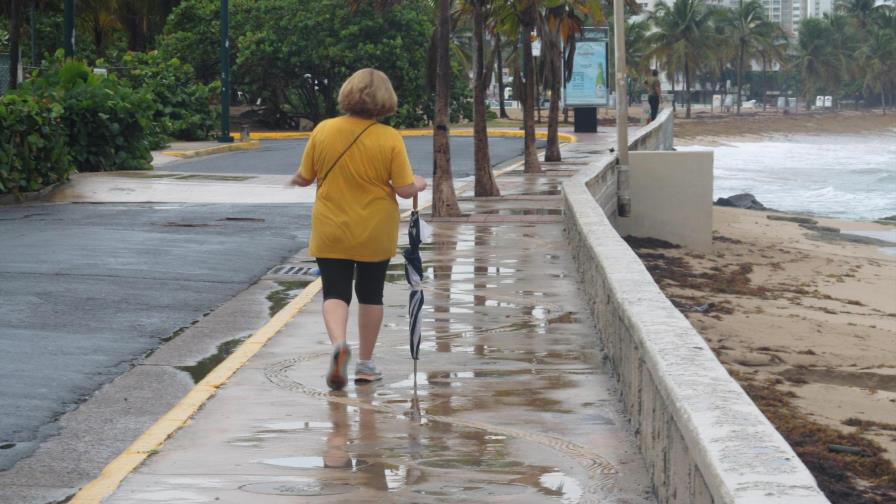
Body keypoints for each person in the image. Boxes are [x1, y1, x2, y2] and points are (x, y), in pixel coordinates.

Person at [291, 68, 427, 391]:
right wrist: (419, 182)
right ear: (385, 99)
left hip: (331, 228)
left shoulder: (323, 131)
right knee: (371, 294)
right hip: (374, 230)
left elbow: (305, 176)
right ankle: (365, 365)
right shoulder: (389, 138)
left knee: (335, 291)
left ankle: (339, 344)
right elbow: (405, 189)